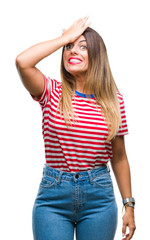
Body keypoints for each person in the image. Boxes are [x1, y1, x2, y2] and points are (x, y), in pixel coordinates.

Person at [15, 17, 136, 240]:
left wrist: (129, 205)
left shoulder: (113, 101)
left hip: (98, 197)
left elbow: (119, 157)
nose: (73, 51)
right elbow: (23, 62)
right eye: (68, 48)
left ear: (97, 56)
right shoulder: (51, 91)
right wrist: (64, 38)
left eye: (82, 46)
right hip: (53, 198)